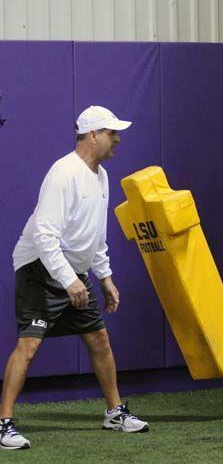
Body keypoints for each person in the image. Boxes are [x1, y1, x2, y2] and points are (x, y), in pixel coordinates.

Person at [0, 106, 149, 450]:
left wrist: (105, 277)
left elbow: (94, 235)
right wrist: (69, 280)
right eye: (112, 133)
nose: (118, 139)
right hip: (40, 267)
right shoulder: (63, 173)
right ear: (93, 135)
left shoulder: (101, 176)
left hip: (73, 272)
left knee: (99, 339)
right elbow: (44, 235)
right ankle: (4, 423)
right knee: (29, 344)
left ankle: (114, 413)